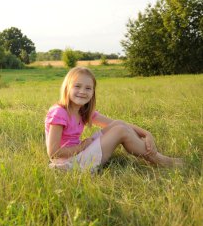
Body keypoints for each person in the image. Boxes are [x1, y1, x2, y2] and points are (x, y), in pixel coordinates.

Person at [45, 67, 183, 172]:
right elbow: (54, 153)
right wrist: (82, 146)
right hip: (68, 164)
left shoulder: (83, 111)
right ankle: (160, 160)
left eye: (88, 88)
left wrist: (147, 134)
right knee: (120, 131)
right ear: (67, 88)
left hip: (80, 153)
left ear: (93, 93)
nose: (82, 91)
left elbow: (116, 123)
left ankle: (155, 158)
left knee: (119, 125)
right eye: (77, 86)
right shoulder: (59, 113)